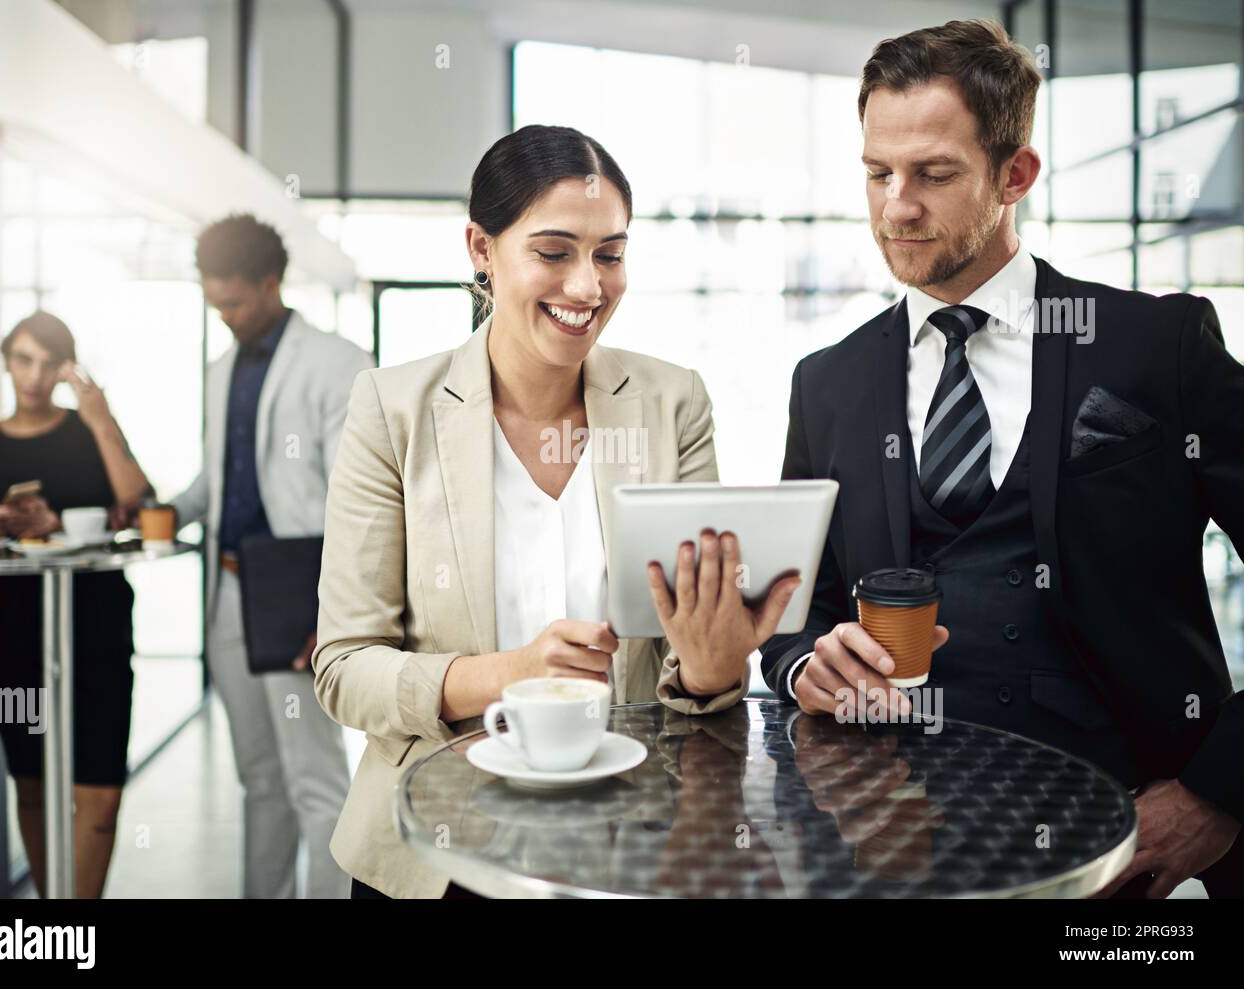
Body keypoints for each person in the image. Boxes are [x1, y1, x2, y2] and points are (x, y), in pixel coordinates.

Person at [761, 19, 1244, 898]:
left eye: (933, 174)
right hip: (892, 851)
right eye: (878, 173)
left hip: (1134, 855)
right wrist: (806, 663)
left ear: (1015, 173)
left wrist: (1221, 790)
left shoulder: (1155, 346)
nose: (896, 206)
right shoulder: (825, 382)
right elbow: (796, 609)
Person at [313, 124, 802, 899]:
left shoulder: (673, 403)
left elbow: (695, 680)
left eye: (610, 254)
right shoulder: (393, 409)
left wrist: (713, 665)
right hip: (439, 851)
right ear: (481, 248)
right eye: (553, 252)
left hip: (629, 847)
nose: (587, 287)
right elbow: (345, 669)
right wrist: (512, 673)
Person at [170, 214, 372, 899]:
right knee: (259, 777)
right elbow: (216, 479)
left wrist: (338, 612)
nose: (223, 315)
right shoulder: (220, 368)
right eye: (213, 300)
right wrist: (167, 510)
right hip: (228, 594)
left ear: (271, 283)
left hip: (297, 597)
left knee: (315, 778)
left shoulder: (337, 362)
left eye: (234, 301)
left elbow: (363, 500)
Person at [0, 310, 153, 898]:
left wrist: (101, 418)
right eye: (22, 360)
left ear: (66, 369)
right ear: (7, 360)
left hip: (96, 627)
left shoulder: (87, 430)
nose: (33, 377)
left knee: (100, 788)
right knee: (32, 783)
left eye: (47, 363)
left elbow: (137, 503)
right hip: (8, 634)